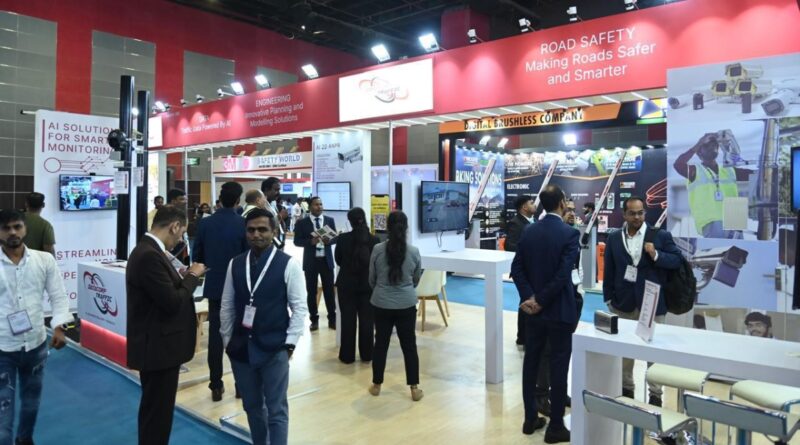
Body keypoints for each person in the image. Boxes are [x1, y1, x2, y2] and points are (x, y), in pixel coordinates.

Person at [220, 208, 307, 445]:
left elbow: (299, 307)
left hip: (275, 348)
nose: (256, 234)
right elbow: (227, 306)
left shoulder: (288, 264)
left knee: (277, 409)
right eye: (251, 230)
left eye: (262, 229)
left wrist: (289, 345)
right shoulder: (236, 264)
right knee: (252, 407)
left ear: (274, 231)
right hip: (241, 350)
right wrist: (227, 341)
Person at [126, 205, 207, 445]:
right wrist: (192, 276)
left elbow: (163, 292)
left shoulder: (149, 251)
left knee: (156, 411)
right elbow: (172, 302)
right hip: (158, 348)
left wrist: (181, 277)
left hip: (158, 346)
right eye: (181, 233)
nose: (180, 239)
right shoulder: (149, 255)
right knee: (157, 415)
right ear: (174, 226)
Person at [510, 185, 579, 443]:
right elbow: (563, 275)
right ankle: (555, 426)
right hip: (559, 311)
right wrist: (539, 300)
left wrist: (530, 298)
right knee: (559, 368)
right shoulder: (570, 234)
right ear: (561, 203)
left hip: (534, 314)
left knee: (531, 363)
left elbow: (517, 269)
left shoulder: (529, 231)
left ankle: (530, 418)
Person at [0, 209, 72, 445]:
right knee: (3, 411)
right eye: (6, 228)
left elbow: (58, 295)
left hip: (36, 344)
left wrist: (59, 326)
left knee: (31, 402)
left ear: (25, 229)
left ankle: (25, 439)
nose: (12, 232)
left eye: (17, 227)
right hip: (3, 347)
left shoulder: (44, 260)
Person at [603, 196, 682, 406]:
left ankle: (655, 394)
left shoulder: (660, 235)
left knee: (653, 352)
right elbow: (609, 270)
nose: (637, 217)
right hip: (623, 304)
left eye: (640, 213)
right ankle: (626, 389)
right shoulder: (614, 238)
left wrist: (656, 255)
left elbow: (676, 260)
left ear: (644, 213)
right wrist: (609, 299)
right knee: (625, 352)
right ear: (624, 214)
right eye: (632, 213)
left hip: (653, 303)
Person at [192, 182, 248, 402]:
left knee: (215, 338)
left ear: (220, 200)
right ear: (238, 201)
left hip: (215, 287)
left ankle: (216, 385)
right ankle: (241, 384)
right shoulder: (243, 223)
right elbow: (248, 258)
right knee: (240, 336)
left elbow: (198, 256)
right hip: (239, 287)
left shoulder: (205, 223)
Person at [368, 211, 423, 401]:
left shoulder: (377, 249)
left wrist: (381, 290)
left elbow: (372, 278)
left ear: (387, 227)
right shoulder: (414, 251)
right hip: (406, 304)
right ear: (406, 227)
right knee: (409, 346)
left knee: (380, 344)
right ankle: (414, 388)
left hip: (381, 303)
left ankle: (376, 385)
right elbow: (416, 279)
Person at [673, 132, 752, 238]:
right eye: (706, 145)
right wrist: (699, 143)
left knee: (737, 248)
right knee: (720, 247)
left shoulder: (729, 171)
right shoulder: (695, 171)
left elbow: (759, 174)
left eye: (715, 145)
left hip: (734, 219)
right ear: (699, 152)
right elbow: (678, 165)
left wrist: (729, 144)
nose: (712, 147)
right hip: (711, 220)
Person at [334, 207, 379, 364]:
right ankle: (367, 354)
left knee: (347, 321)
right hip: (368, 286)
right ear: (364, 219)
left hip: (346, 285)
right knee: (367, 322)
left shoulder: (342, 239)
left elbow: (338, 260)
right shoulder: (375, 240)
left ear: (350, 221)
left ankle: (347, 356)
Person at [293, 197, 337, 331]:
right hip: (311, 262)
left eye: (321, 204)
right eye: (316, 204)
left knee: (329, 291)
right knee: (311, 292)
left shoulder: (329, 220)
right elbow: (296, 241)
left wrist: (330, 241)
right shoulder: (302, 223)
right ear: (310, 207)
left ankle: (332, 319)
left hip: (326, 260)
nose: (319, 207)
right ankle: (314, 320)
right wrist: (310, 242)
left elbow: (335, 237)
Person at [505, 195, 535, 347]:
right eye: (531, 203)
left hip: (531, 269)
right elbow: (509, 245)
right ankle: (522, 337)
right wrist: (529, 248)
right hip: (522, 271)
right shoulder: (516, 222)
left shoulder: (532, 222)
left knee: (526, 302)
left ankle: (523, 337)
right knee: (526, 302)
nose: (534, 205)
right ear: (524, 207)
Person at [261, 177, 285, 249]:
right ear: (266, 190)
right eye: (276, 190)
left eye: (279, 190)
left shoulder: (273, 203)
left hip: (277, 243)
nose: (279, 193)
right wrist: (279, 218)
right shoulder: (260, 205)